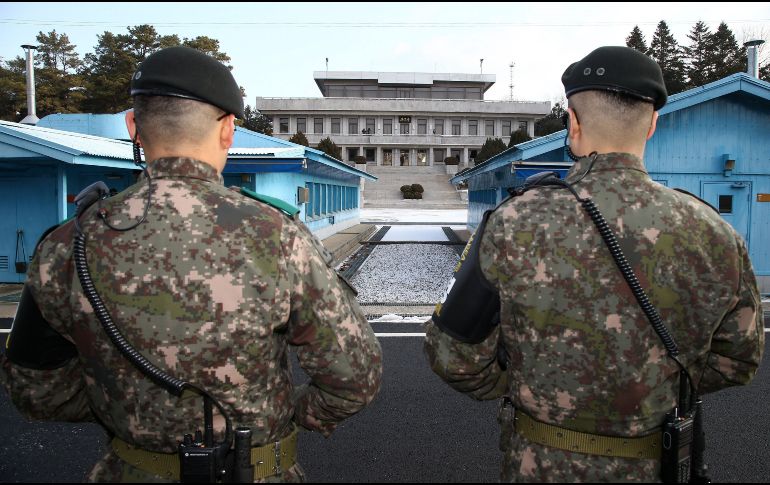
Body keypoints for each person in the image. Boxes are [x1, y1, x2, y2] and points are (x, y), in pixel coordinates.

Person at [1, 46, 382, 482]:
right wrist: (285, 414)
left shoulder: (69, 244)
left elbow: (35, 391)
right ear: (228, 130)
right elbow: (354, 377)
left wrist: (123, 405)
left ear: (133, 127)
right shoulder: (276, 234)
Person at [424, 45, 764, 482]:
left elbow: (452, 355)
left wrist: (527, 389)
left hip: (541, 465)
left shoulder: (512, 224)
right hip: (657, 465)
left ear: (573, 122)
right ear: (653, 125)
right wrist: (650, 389)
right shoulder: (714, 234)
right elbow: (738, 360)